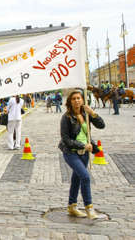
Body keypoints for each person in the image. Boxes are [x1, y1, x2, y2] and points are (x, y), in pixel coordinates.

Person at [59, 90, 105, 219]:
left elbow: (102, 126)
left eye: (79, 98)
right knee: (85, 177)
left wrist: (93, 113)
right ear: (70, 102)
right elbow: (65, 139)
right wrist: (83, 145)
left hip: (85, 153)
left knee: (77, 179)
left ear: (83, 100)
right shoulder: (66, 117)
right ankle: (89, 208)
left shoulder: (86, 114)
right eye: (73, 99)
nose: (77, 100)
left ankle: (72, 206)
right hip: (71, 153)